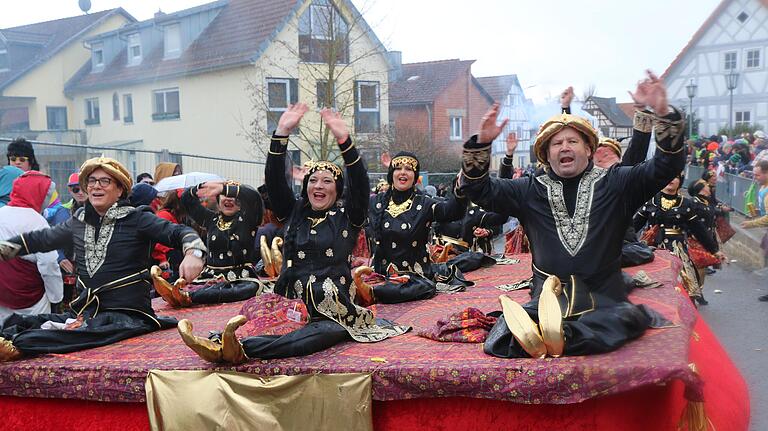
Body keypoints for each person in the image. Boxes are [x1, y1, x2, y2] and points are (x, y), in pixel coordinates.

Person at [459, 71, 686, 359]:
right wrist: (481, 143)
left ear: (589, 149)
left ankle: (558, 337)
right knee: (509, 334)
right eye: (556, 143)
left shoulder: (617, 183)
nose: (564, 147)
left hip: (604, 304)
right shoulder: (528, 189)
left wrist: (663, 113)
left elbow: (666, 165)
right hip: (544, 301)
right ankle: (549, 333)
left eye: (573, 141)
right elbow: (477, 189)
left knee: (607, 327)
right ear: (546, 154)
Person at [177, 105, 408, 364]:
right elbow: (275, 181)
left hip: (334, 312)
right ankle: (221, 340)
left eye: (326, 181)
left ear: (338, 189)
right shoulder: (294, 212)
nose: (318, 185)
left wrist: (345, 142)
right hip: (290, 304)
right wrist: (282, 134)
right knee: (262, 317)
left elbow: (360, 184)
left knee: (314, 337)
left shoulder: (349, 216)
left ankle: (241, 349)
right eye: (313, 180)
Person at [0, 157, 206, 362]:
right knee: (16, 323)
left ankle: (18, 347)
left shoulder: (138, 218)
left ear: (120, 189)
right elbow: (40, 240)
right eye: (91, 181)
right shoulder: (78, 221)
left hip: (128, 316)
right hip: (87, 313)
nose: (95, 186)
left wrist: (193, 252)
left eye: (104, 181)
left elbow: (179, 232)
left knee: (47, 337)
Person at [367, 151, 470, 304]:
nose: (403, 172)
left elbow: (452, 211)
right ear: (391, 173)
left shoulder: (425, 204)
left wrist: (461, 188)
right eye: (398, 168)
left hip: (416, 280)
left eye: (409, 169)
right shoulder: (376, 202)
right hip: (380, 278)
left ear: (415, 177)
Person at [151, 179, 264, 307]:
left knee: (249, 289)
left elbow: (255, 198)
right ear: (218, 198)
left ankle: (188, 297)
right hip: (210, 277)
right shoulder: (211, 219)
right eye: (225, 196)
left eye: (234, 197)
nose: (229, 199)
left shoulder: (248, 220)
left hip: (241, 278)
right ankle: (181, 294)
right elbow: (186, 199)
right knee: (195, 286)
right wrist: (200, 187)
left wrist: (226, 189)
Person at [0, 171, 63, 321]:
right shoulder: (37, 221)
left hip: (2, 292)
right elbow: (48, 265)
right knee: (32, 337)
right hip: (31, 299)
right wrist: (56, 298)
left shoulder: (1, 213)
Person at [741, 160, 768, 301]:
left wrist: (751, 224)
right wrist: (758, 211)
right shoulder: (763, 187)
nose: (755, 178)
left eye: (757, 175)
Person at [151, 190, 187, 281]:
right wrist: (162, 259)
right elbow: (158, 242)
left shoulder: (175, 215)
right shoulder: (164, 215)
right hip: (168, 260)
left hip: (174, 258)